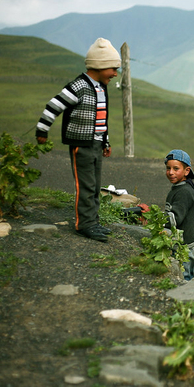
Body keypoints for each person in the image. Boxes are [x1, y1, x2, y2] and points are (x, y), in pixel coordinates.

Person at [35, 38, 121, 243]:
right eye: (113, 69)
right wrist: (42, 130)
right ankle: (85, 225)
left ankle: (93, 220)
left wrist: (105, 142)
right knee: (86, 186)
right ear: (100, 66)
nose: (115, 74)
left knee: (95, 184)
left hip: (96, 145)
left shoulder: (100, 87)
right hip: (81, 145)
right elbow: (54, 105)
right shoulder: (79, 86)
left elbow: (101, 118)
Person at [164, 149, 194, 281]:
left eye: (176, 168)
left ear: (187, 171)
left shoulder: (184, 191)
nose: (170, 172)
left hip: (188, 245)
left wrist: (153, 218)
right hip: (187, 243)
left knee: (185, 278)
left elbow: (175, 218)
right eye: (168, 168)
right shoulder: (179, 187)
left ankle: (188, 300)